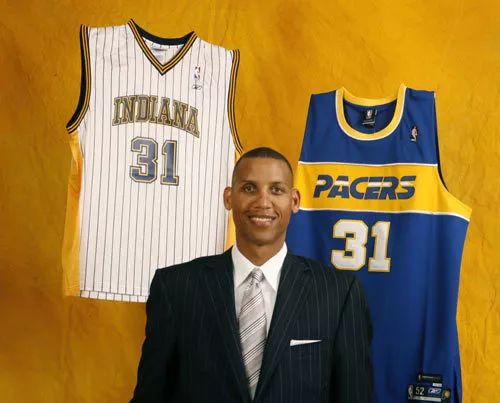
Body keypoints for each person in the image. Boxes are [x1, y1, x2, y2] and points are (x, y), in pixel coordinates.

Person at [131, 147, 373, 403]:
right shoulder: (176, 287)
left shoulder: (339, 293)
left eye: (276, 189)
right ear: (229, 197)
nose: (263, 202)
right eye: (249, 188)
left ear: (294, 201)